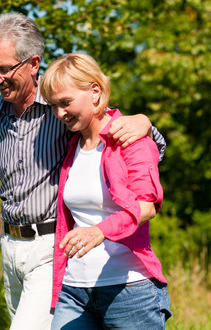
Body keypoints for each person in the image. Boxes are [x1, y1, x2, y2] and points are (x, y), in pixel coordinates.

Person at [0, 13, 166, 330]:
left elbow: (115, 131)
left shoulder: (62, 108)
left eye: (4, 69)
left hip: (55, 248)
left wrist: (145, 122)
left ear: (33, 63)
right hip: (11, 247)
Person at [39, 52, 172, 329]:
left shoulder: (130, 139)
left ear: (95, 93)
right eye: (53, 106)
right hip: (74, 292)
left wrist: (100, 231)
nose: (59, 113)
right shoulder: (71, 147)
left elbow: (146, 205)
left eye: (65, 103)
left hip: (129, 290)